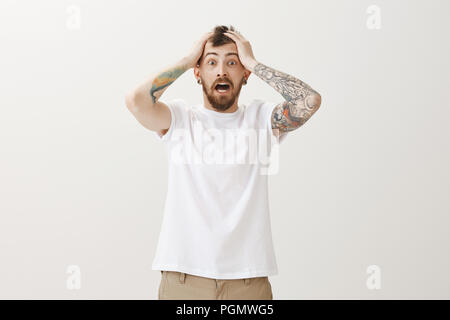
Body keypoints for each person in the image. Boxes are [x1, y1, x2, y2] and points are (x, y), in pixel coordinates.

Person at [125, 25, 322, 300]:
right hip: (183, 281)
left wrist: (253, 61)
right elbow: (136, 101)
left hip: (248, 284)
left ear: (245, 74)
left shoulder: (260, 119)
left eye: (232, 62)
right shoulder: (180, 119)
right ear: (198, 72)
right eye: (211, 62)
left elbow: (309, 101)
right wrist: (186, 60)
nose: (221, 71)